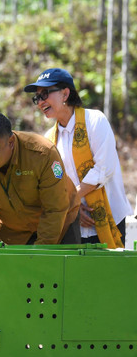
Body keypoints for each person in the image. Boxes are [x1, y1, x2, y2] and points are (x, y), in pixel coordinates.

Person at [24, 68, 131, 248]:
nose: (40, 102)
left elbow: (103, 169)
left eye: (45, 94)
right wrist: (73, 208)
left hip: (109, 215)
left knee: (110, 272)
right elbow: (55, 181)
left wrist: (70, 201)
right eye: (37, 98)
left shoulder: (95, 121)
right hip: (75, 223)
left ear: (65, 93)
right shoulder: (49, 138)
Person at [0, 111, 80, 245]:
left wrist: (40, 251)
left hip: (60, 221)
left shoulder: (43, 155)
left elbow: (55, 208)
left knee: (57, 265)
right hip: (12, 231)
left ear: (11, 142)